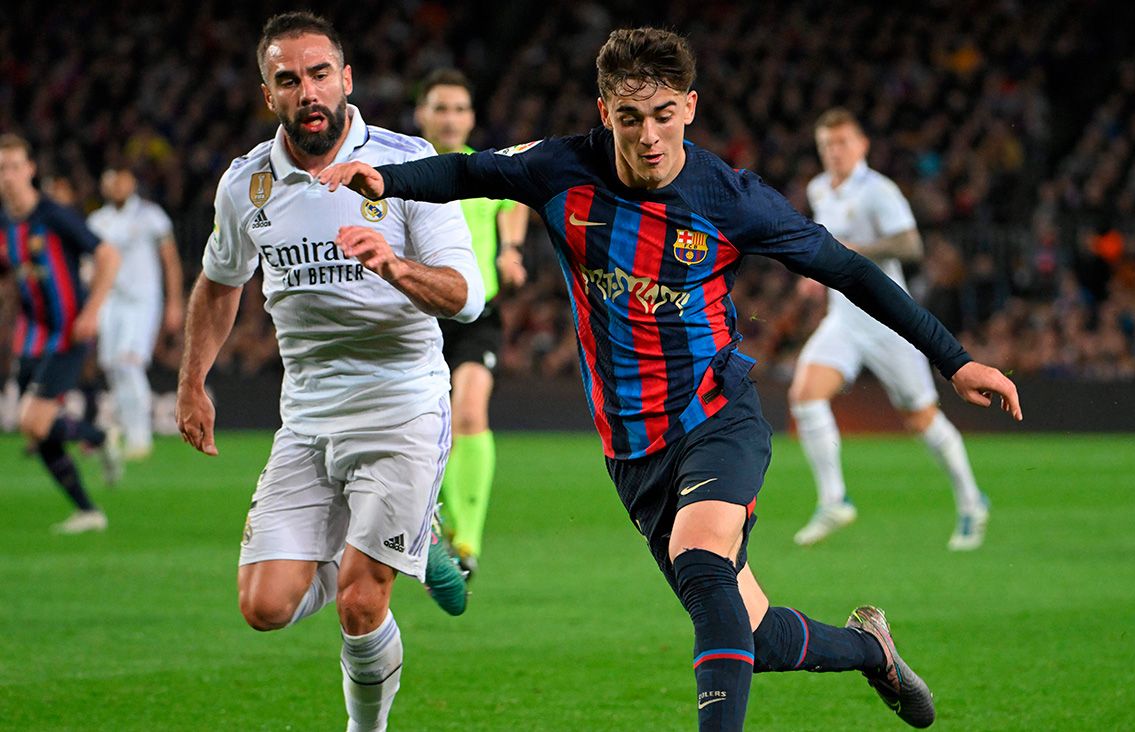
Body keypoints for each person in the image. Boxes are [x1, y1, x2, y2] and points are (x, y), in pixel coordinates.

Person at [321, 27, 1021, 731]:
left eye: (663, 114)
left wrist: (955, 359)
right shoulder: (560, 168)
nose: (649, 136)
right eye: (630, 118)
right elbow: (468, 172)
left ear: (690, 106)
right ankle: (871, 652)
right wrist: (387, 180)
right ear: (605, 113)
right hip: (632, 449)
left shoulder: (730, 198)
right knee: (751, 631)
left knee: (701, 560)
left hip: (716, 415)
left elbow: (850, 270)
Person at [174, 13, 481, 732]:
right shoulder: (246, 183)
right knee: (263, 607)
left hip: (403, 407)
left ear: (345, 79)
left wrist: (395, 266)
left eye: (319, 74)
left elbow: (467, 297)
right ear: (268, 94)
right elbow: (219, 282)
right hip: (308, 417)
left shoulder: (408, 164)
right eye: (288, 80)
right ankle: (415, 540)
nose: (306, 91)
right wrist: (192, 382)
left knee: (360, 603)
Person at [789, 109, 991, 550]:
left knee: (920, 417)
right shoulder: (819, 188)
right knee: (805, 394)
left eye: (842, 142)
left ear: (862, 145)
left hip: (887, 321)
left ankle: (972, 501)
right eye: (826, 145)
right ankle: (834, 501)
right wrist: (815, 275)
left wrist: (858, 250)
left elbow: (910, 244)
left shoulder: (879, 190)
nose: (834, 152)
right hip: (843, 318)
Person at [414, 68, 530, 579]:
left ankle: (470, 542)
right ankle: (448, 528)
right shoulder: (404, 169)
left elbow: (513, 201)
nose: (451, 118)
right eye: (441, 108)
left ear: (472, 117)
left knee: (468, 412)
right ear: (421, 114)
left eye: (460, 109)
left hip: (478, 314)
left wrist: (511, 249)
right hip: (419, 318)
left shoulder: (482, 169)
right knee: (428, 427)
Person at [0, 133, 122, 533]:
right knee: (36, 430)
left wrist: (92, 310)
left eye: (14, 166)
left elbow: (108, 255)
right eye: (1, 169)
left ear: (30, 170)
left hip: (68, 332)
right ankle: (88, 510)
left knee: (32, 422)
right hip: (31, 335)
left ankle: (98, 437)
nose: (8, 176)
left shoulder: (54, 215)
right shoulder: (5, 223)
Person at [87, 167, 184, 460]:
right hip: (110, 301)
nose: (117, 185)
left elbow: (170, 261)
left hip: (143, 301)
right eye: (111, 180)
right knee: (112, 367)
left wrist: (174, 301)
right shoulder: (97, 220)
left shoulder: (151, 216)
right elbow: (91, 266)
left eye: (122, 179)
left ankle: (140, 438)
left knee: (129, 364)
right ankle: (120, 430)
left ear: (132, 183)